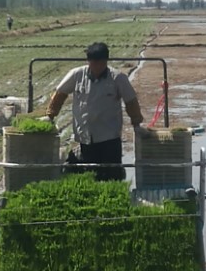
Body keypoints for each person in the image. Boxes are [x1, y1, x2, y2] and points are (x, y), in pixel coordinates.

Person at [42, 42, 144, 181]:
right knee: (88, 174)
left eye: (99, 63)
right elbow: (60, 94)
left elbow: (131, 101)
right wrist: (50, 115)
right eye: (92, 63)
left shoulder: (117, 78)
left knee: (111, 175)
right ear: (88, 61)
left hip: (109, 137)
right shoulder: (77, 75)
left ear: (105, 62)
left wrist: (136, 124)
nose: (95, 67)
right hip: (85, 137)